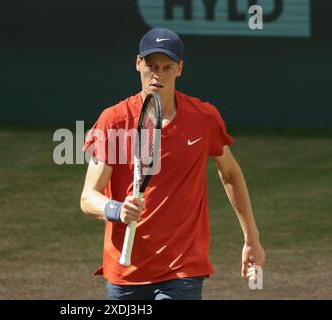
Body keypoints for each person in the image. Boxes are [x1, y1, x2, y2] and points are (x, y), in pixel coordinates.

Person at [80, 27, 265, 300]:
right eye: (152, 65)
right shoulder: (113, 121)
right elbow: (87, 197)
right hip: (125, 272)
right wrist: (117, 209)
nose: (158, 74)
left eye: (167, 67)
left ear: (180, 69)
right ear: (137, 63)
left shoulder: (204, 118)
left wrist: (252, 239)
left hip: (182, 269)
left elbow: (230, 174)